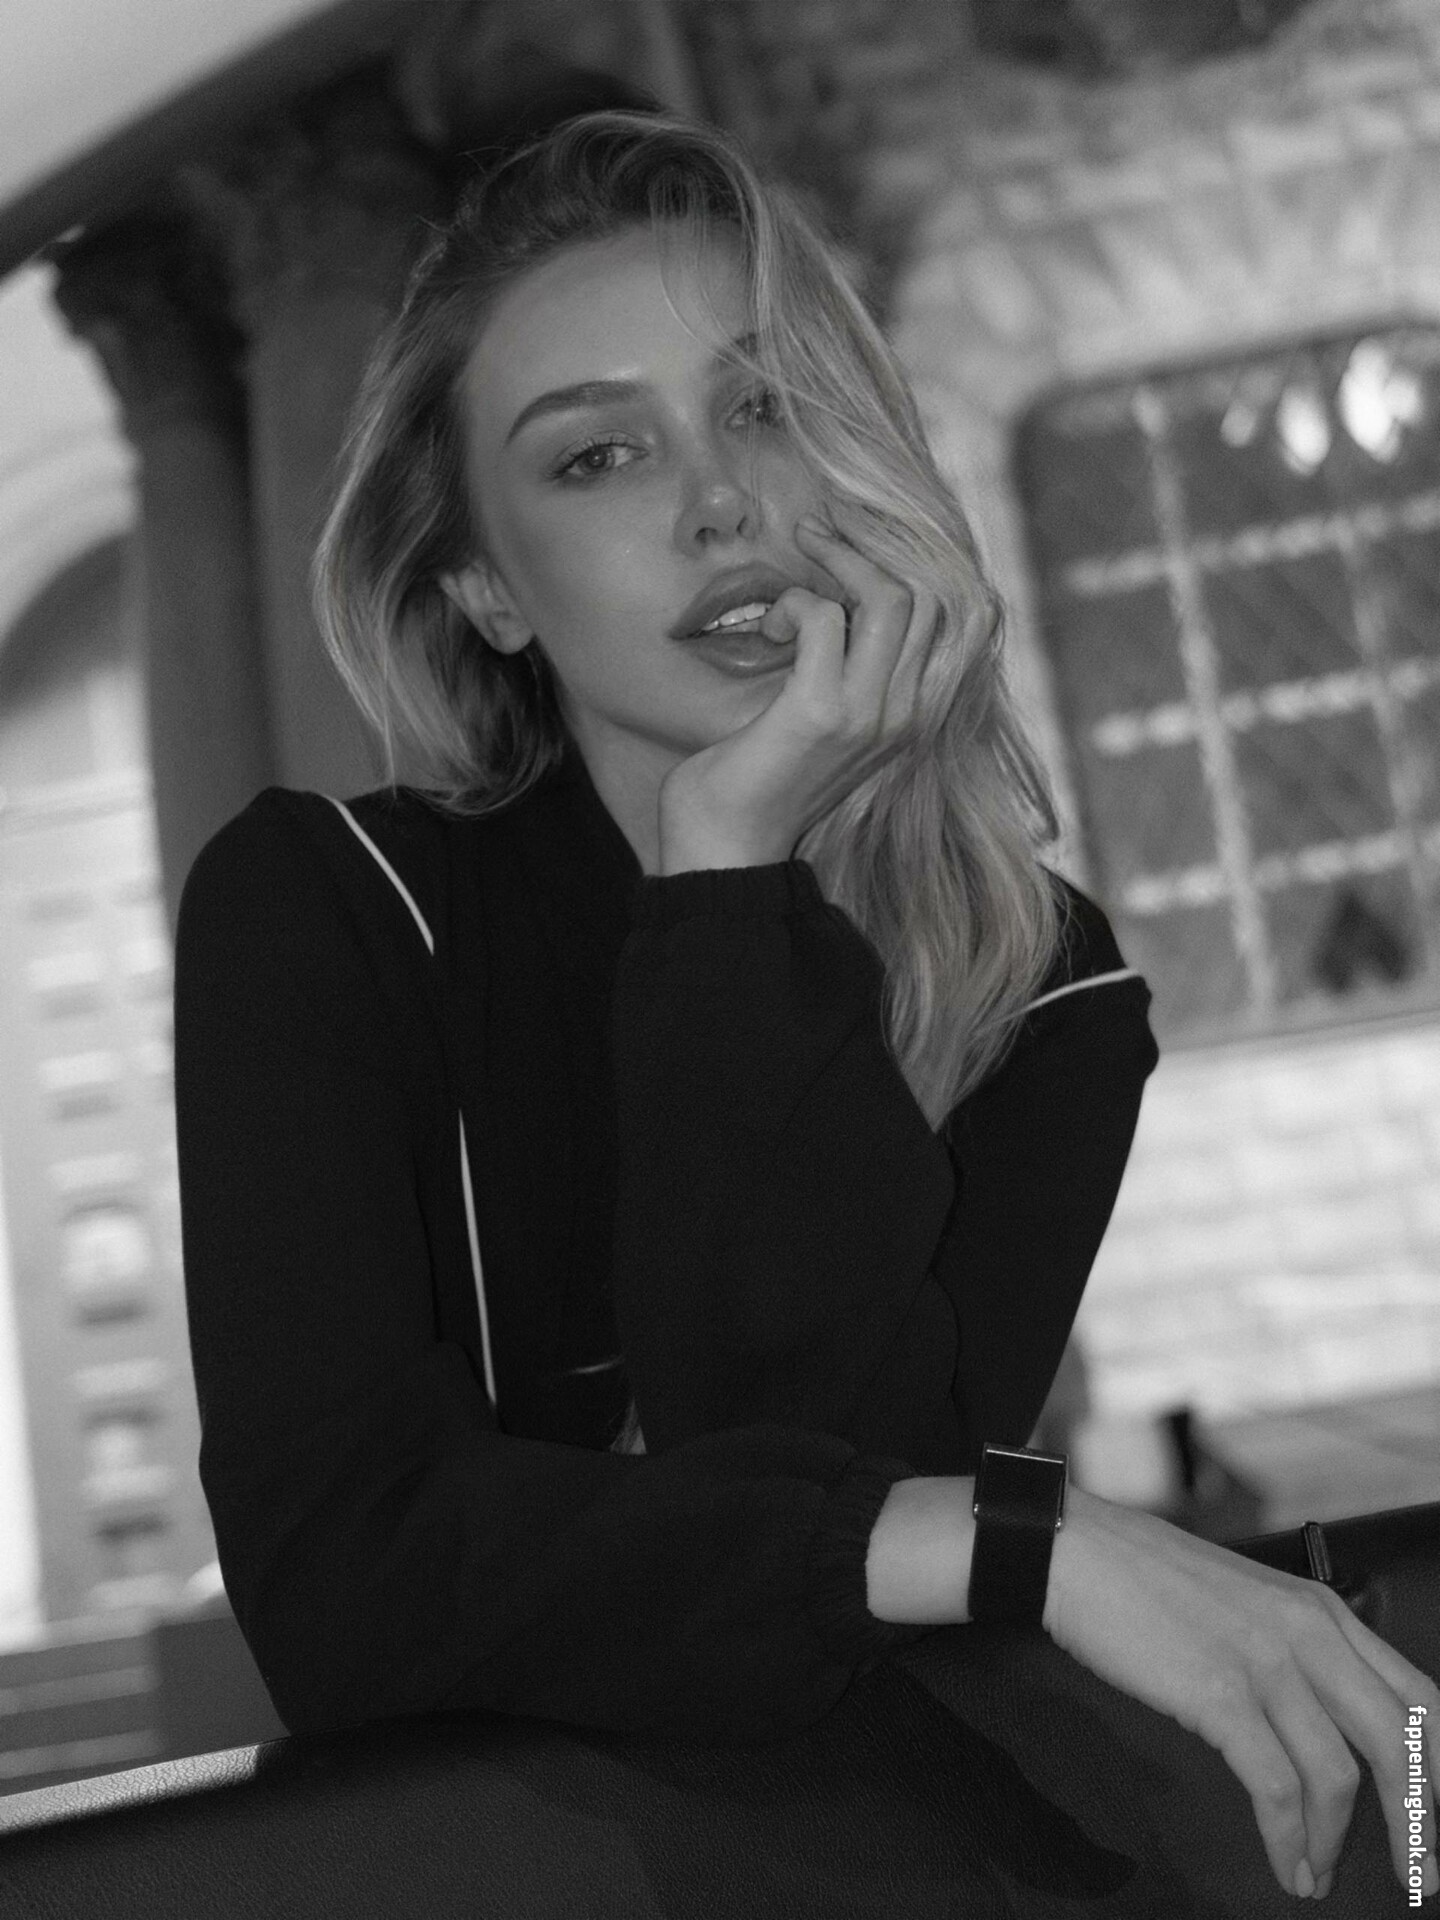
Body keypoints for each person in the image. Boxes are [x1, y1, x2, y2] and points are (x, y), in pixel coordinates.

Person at [173, 108, 1438, 1908]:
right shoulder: (325, 910)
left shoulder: (1039, 982)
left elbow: (825, 1588)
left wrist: (728, 874)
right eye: (598, 455)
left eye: (764, 408)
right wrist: (1031, 1537)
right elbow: (350, 1591)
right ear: (483, 587)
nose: (720, 503)